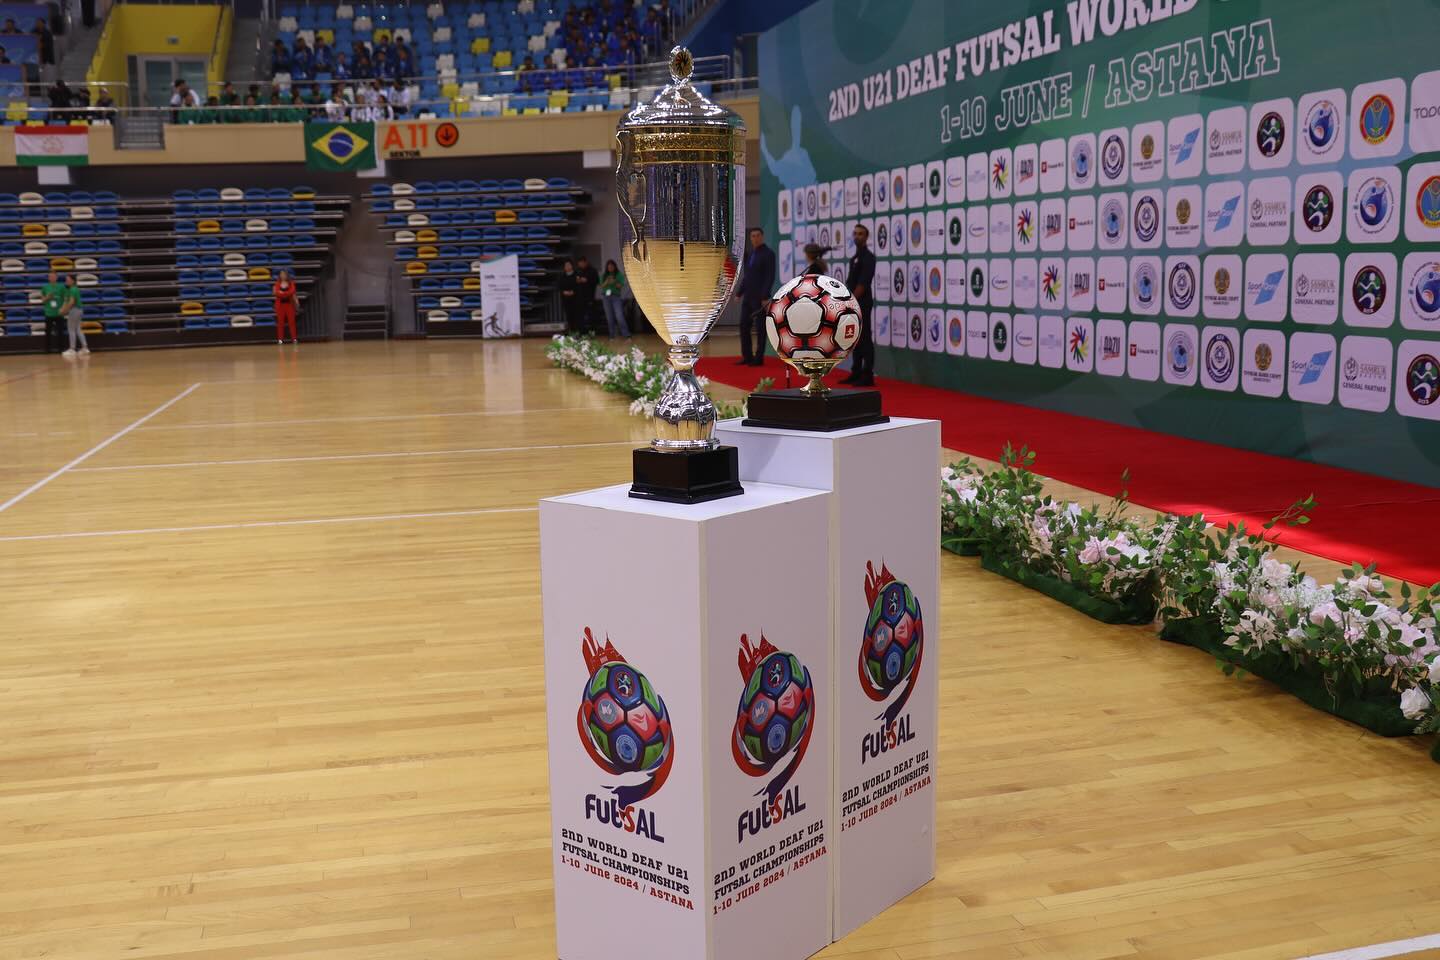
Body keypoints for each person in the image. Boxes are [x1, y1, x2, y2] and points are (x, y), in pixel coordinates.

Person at [841, 224, 876, 386]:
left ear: (866, 237)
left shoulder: (868, 258)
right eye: (855, 233)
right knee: (855, 337)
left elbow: (863, 283)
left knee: (865, 337)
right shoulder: (854, 258)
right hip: (853, 302)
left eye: (861, 234)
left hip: (862, 302)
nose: (857, 236)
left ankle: (867, 374)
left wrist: (852, 301)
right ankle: (856, 372)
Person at [736, 227, 775, 366]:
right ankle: (747, 356)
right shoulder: (751, 253)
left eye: (758, 235)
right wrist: (739, 292)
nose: (755, 238)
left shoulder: (768, 254)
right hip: (748, 296)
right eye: (753, 236)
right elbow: (747, 276)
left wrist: (765, 296)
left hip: (760, 297)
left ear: (762, 237)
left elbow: (770, 276)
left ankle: (759, 358)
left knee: (760, 328)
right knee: (743, 325)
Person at [598, 259, 629, 337]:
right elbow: (602, 286)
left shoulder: (619, 274)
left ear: (615, 266)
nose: (610, 268)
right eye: (609, 267)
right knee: (609, 317)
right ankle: (612, 335)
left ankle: (626, 334)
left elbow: (620, 286)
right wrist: (607, 281)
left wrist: (614, 281)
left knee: (619, 316)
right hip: (606, 297)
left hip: (616, 297)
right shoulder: (604, 275)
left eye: (612, 266)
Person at [60, 274, 87, 358]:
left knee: (71, 329)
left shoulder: (72, 289)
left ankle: (72, 349)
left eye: (68, 280)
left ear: (73, 281)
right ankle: (85, 348)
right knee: (78, 329)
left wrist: (65, 311)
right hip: (79, 310)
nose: (66, 281)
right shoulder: (75, 289)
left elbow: (71, 302)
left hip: (74, 310)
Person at [39, 269, 65, 354]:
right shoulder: (45, 287)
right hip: (49, 313)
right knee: (48, 332)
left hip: (59, 313)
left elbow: (65, 299)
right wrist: (48, 297)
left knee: (60, 332)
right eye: (50, 276)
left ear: (56, 277)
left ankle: (60, 348)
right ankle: (47, 349)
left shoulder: (61, 287)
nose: (52, 278)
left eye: (54, 276)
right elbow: (43, 300)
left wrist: (63, 308)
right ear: (48, 278)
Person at [273, 270, 298, 343]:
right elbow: (276, 293)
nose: (283, 276)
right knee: (280, 322)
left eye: (284, 274)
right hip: (280, 306)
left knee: (292, 322)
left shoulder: (291, 283)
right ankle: (280, 339)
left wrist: (283, 293)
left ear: (287, 275)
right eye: (281, 274)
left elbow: (292, 291)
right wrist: (286, 293)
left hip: (289, 305)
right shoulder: (277, 284)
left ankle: (294, 338)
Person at [574, 256, 599, 326]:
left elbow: (596, 281)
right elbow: (574, 281)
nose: (580, 265)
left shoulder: (593, 270)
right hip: (579, 297)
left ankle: (592, 330)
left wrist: (587, 280)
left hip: (590, 296)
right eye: (579, 263)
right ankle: (582, 330)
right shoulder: (577, 271)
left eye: (582, 263)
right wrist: (577, 281)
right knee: (580, 315)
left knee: (591, 314)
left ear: (585, 262)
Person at [558, 259, 582, 331]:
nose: (567, 267)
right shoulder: (562, 276)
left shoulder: (577, 274)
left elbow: (579, 286)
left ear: (572, 266)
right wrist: (563, 292)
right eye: (566, 265)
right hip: (566, 300)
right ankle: (571, 332)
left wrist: (573, 292)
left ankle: (578, 332)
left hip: (576, 299)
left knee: (577, 317)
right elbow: (559, 287)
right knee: (569, 316)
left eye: (569, 265)